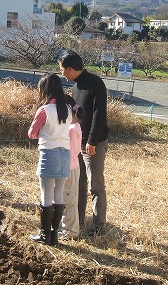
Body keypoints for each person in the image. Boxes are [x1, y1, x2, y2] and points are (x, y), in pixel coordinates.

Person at [58, 51, 109, 237]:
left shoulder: (95, 83)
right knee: (78, 182)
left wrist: (92, 140)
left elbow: (99, 114)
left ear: (71, 69)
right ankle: (78, 220)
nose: (62, 73)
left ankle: (99, 225)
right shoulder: (76, 86)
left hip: (93, 143)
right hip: (77, 141)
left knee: (96, 185)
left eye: (63, 69)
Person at [28, 73, 72, 246]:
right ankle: (54, 235)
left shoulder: (44, 110)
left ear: (44, 90)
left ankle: (44, 235)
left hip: (49, 153)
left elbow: (31, 133)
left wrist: (43, 133)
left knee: (46, 195)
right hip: (65, 154)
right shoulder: (67, 109)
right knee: (58, 194)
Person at [60, 94, 85, 240]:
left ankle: (71, 231)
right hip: (72, 166)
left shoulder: (71, 129)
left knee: (69, 200)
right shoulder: (75, 126)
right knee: (67, 197)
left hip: (69, 167)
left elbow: (70, 151)